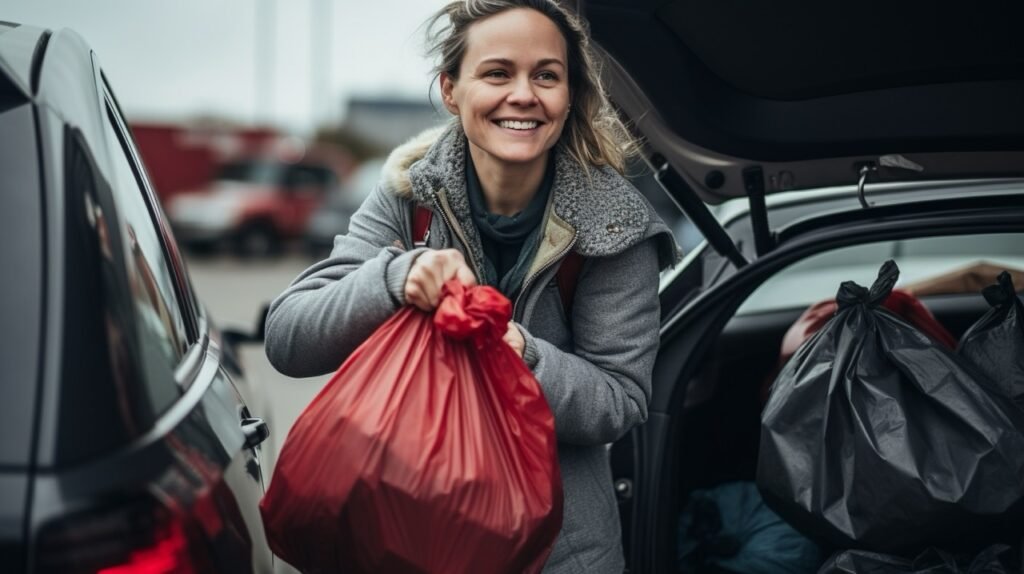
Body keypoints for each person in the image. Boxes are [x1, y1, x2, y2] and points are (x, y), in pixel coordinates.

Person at [264, 1, 679, 571]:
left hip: (556, 553)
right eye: (497, 72)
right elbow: (288, 339)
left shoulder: (616, 227)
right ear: (451, 90)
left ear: (569, 95)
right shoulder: (406, 197)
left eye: (546, 76)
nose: (524, 94)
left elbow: (620, 401)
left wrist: (520, 355)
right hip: (404, 536)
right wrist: (395, 277)